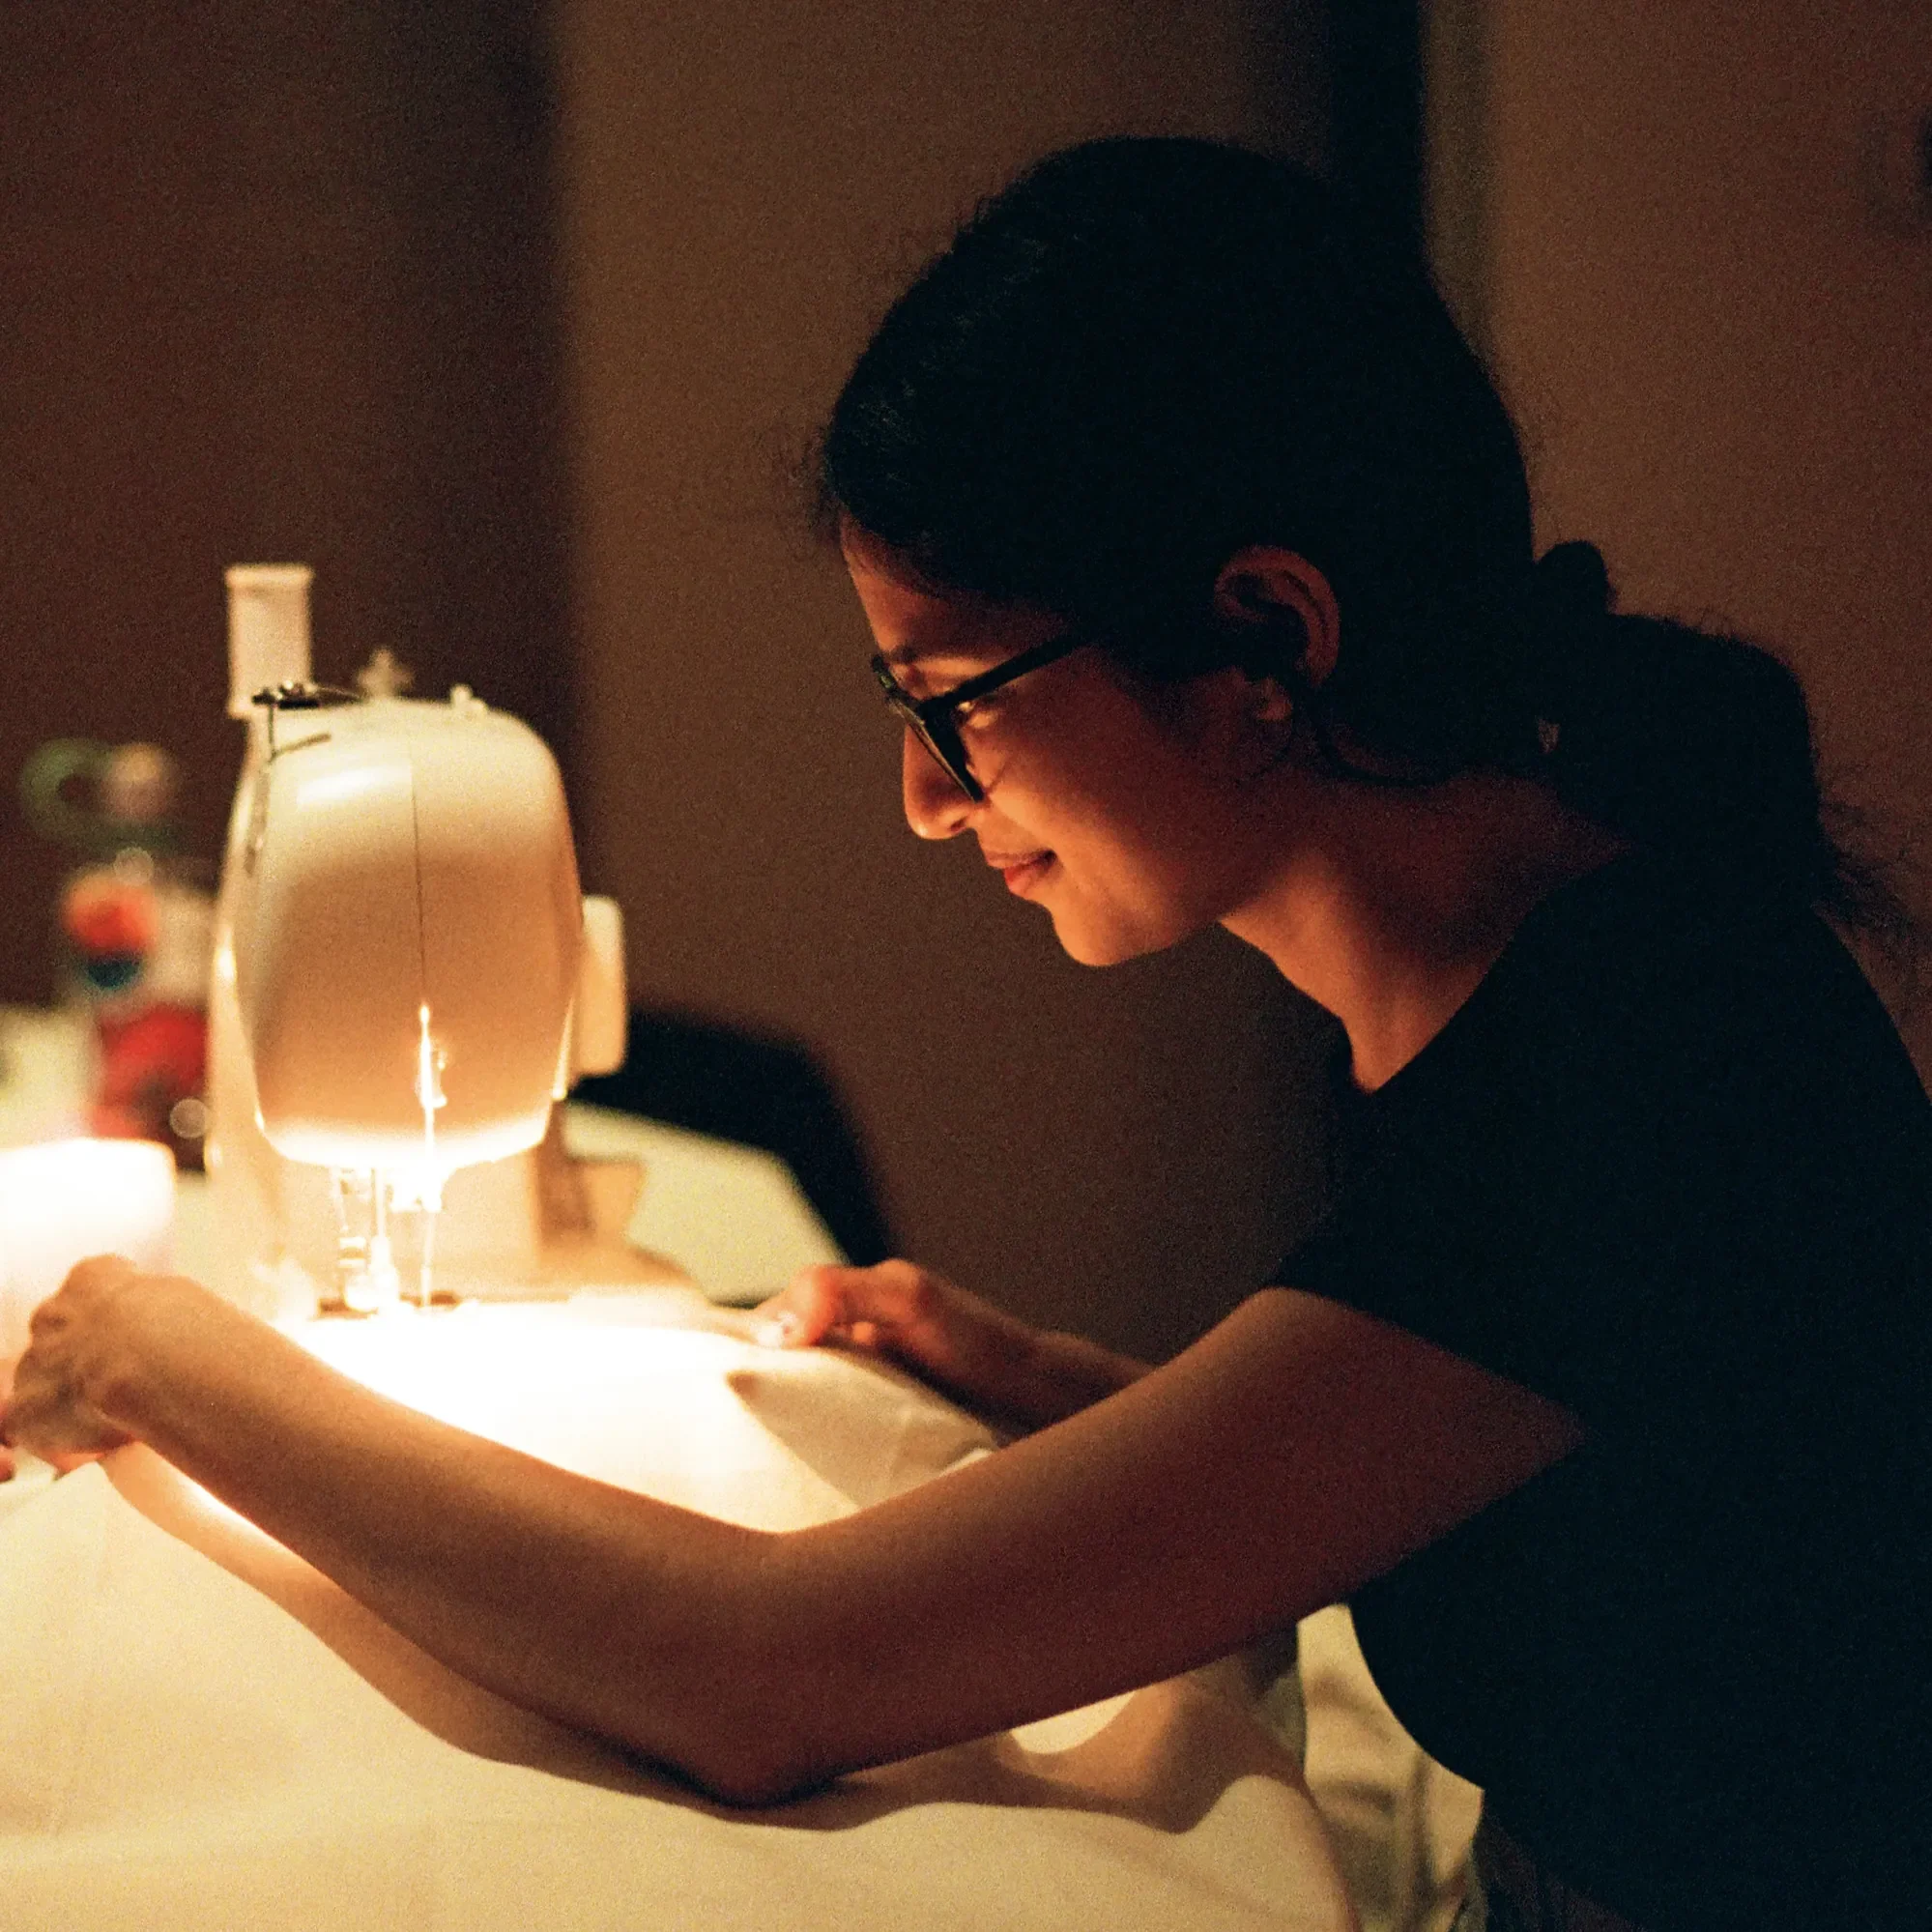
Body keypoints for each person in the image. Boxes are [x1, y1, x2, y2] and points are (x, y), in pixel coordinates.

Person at [5, 138, 1927, 1929]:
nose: (928, 800)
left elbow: (759, 1672)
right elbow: (1544, 1503)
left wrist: (154, 1351)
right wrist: (1085, 1400)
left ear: (1265, 638)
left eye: (957, 703)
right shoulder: (1566, 959)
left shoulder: (1628, 1082)